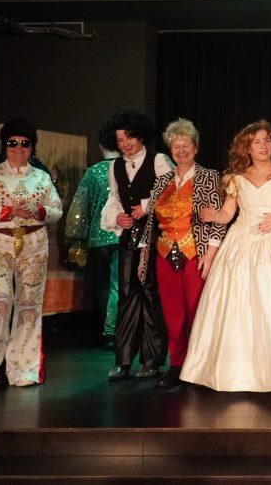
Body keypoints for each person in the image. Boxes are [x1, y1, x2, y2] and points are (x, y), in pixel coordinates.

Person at [181, 121, 271, 392]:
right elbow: (228, 214)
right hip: (240, 242)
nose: (263, 146)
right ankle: (235, 371)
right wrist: (214, 215)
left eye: (267, 141)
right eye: (257, 142)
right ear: (247, 148)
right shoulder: (236, 177)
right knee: (237, 303)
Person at [0, 119, 63, 387]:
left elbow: (57, 209)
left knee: (30, 303)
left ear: (32, 147)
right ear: (4, 145)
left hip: (34, 241)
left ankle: (23, 368)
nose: (19, 148)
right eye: (13, 143)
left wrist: (40, 211)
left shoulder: (41, 177)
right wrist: (8, 212)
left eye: (25, 143)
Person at [138, 118, 225, 388]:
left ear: (195, 148)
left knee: (197, 312)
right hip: (165, 254)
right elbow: (151, 222)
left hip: (196, 254)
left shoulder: (209, 177)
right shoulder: (162, 180)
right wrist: (143, 256)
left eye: (186, 145)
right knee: (172, 314)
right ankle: (177, 365)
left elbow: (218, 219)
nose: (181, 150)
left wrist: (210, 254)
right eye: (176, 146)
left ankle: (199, 368)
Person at [100, 110, 173, 381]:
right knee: (126, 295)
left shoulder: (158, 160)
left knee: (151, 296)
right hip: (129, 237)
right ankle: (123, 360)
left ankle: (152, 360)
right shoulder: (115, 167)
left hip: (154, 237)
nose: (125, 144)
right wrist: (116, 217)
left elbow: (170, 192)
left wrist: (145, 206)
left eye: (129, 137)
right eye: (120, 140)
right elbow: (114, 199)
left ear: (140, 136)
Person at [65, 123, 121, 349]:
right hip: (122, 233)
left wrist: (76, 235)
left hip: (98, 237)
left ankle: (108, 331)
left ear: (100, 146)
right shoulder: (128, 169)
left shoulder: (93, 172)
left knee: (103, 283)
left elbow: (80, 207)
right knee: (119, 283)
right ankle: (115, 330)